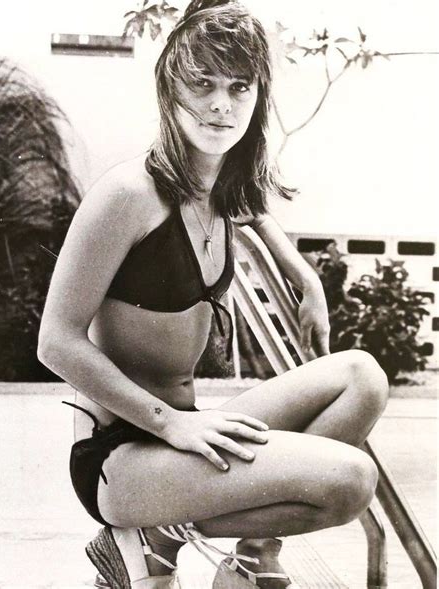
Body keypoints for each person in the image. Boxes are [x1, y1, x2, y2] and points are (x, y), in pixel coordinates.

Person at [38, 1, 389, 587]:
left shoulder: (219, 191)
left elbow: (254, 211)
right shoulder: (126, 194)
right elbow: (55, 342)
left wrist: (302, 275)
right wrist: (171, 426)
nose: (220, 104)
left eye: (238, 87)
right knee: (349, 480)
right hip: (123, 454)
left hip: (185, 431)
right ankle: (147, 534)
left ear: (257, 97)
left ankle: (248, 557)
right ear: (170, 90)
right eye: (201, 84)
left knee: (362, 375)